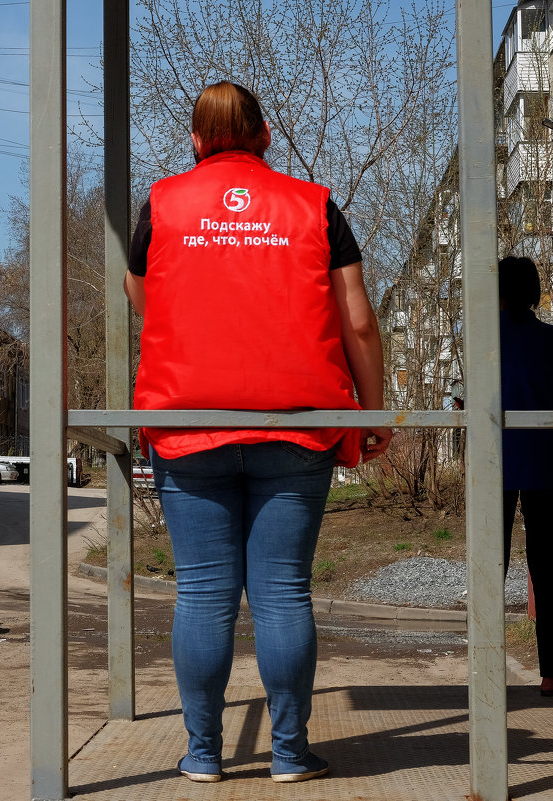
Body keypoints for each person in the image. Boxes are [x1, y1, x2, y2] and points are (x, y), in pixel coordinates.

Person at [126, 81, 392, 784]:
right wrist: (373, 411)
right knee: (282, 593)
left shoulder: (159, 206)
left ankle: (204, 753)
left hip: (188, 426)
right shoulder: (314, 206)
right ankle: (288, 753)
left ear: (194, 139)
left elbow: (143, 299)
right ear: (266, 134)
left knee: (204, 593)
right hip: (297, 427)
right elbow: (357, 320)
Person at [498, 256, 553, 697]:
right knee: (546, 568)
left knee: (492, 563)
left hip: (498, 461)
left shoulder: (486, 337)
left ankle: (487, 668)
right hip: (544, 460)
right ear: (534, 293)